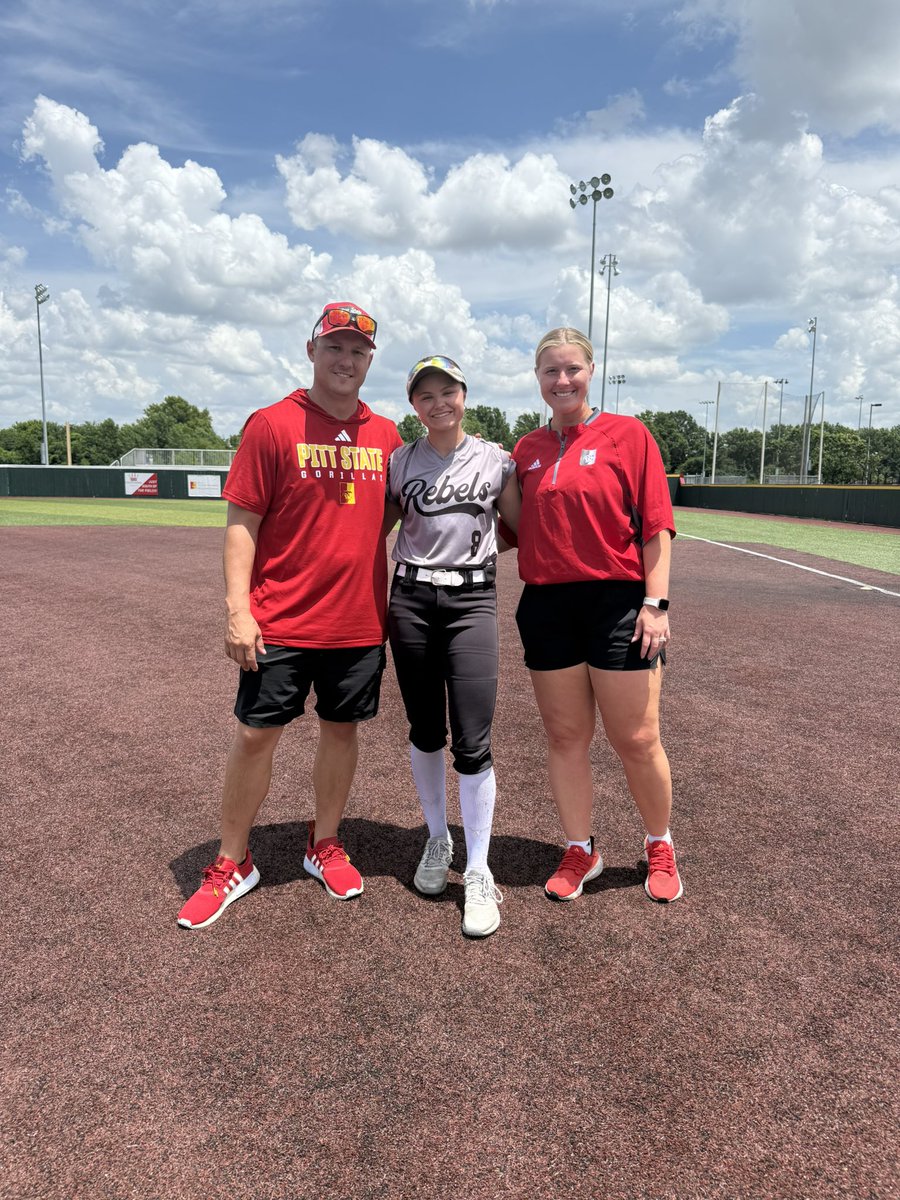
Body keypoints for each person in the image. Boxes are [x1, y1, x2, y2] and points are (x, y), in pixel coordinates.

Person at [177, 302, 403, 929]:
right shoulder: (273, 425)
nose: (345, 359)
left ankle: (323, 841)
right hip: (278, 620)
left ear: (369, 362)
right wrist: (237, 610)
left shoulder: (386, 435)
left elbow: (384, 518)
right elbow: (241, 526)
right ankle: (231, 861)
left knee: (341, 730)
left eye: (357, 351)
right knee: (254, 735)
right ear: (311, 351)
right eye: (334, 347)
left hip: (357, 621)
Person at [509, 327, 683, 904]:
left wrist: (656, 605)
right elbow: (511, 529)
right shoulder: (526, 451)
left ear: (591, 371)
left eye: (571, 369)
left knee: (635, 736)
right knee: (565, 736)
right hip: (547, 607)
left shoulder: (627, 436)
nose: (562, 381)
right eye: (550, 372)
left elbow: (657, 527)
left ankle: (659, 842)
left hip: (618, 604)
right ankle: (580, 848)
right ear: (537, 380)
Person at [385, 356, 521, 937]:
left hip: (471, 601)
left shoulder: (497, 461)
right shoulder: (399, 462)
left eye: (448, 391)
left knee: (472, 738)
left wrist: (471, 559)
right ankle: (438, 840)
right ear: (414, 405)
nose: (438, 403)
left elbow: (518, 529)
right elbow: (374, 528)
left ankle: (479, 867)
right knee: (423, 729)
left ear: (465, 394)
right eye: (425, 396)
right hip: (411, 600)